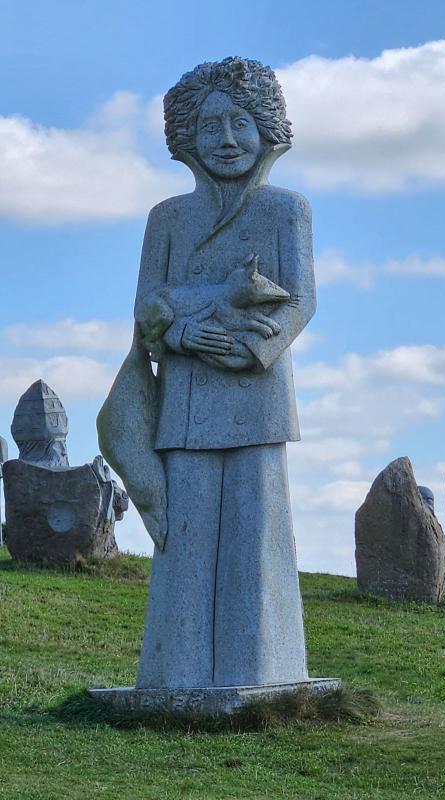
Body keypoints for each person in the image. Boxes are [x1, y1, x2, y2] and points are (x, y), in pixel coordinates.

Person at [132, 57, 316, 689]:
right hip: (185, 400)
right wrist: (180, 334)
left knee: (255, 535)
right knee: (184, 541)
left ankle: (260, 673)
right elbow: (147, 306)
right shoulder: (167, 218)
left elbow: (300, 299)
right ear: (188, 136)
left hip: (258, 397)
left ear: (267, 129)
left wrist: (256, 351)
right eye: (211, 127)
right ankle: (176, 676)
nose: (228, 140)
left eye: (241, 123)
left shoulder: (286, 209)